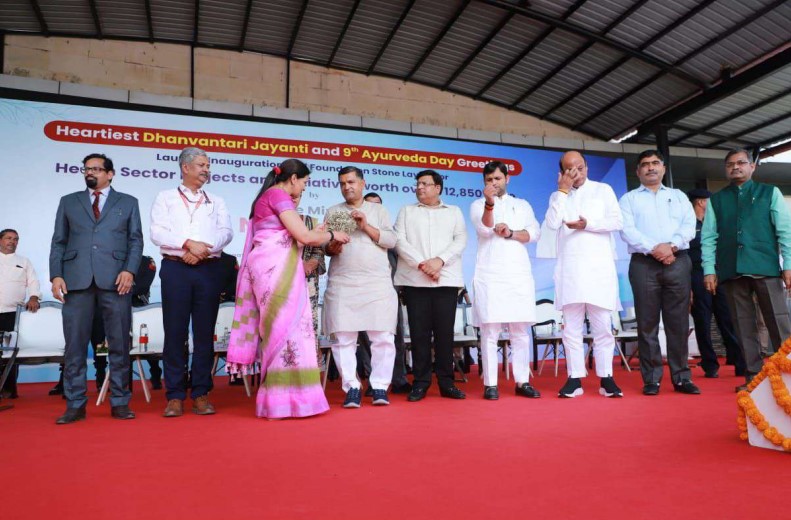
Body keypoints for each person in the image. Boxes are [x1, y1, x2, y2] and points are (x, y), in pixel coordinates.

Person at [226, 159, 349, 418]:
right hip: (275, 272)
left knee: (283, 333)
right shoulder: (278, 195)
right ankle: (285, 401)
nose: (303, 188)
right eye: (304, 182)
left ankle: (288, 400)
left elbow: (288, 237)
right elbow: (304, 237)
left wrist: (315, 233)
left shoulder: (268, 196)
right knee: (285, 332)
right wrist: (331, 235)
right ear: (293, 178)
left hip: (269, 270)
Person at [49, 153, 143, 423]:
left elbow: (135, 241)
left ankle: (120, 401)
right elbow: (58, 242)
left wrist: (129, 270)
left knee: (119, 344)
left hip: (116, 281)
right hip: (76, 280)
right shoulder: (68, 201)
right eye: (86, 169)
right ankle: (75, 404)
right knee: (74, 346)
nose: (90, 173)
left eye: (96, 169)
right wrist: (56, 275)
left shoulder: (128, 202)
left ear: (110, 174)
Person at [150, 147, 233, 417]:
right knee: (175, 333)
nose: (206, 169)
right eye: (201, 165)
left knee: (204, 333)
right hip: (175, 269)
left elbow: (226, 232)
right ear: (185, 168)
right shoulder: (165, 197)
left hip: (208, 269)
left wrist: (202, 249)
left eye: (207, 165)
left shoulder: (216, 200)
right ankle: (174, 395)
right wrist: (187, 244)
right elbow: (157, 232)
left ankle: (200, 393)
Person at [701, 148, 791, 392]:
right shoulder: (718, 199)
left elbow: (785, 231)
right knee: (742, 326)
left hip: (765, 267)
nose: (735, 167)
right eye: (730, 164)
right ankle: (754, 379)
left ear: (752, 166)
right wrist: (709, 270)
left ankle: (788, 377)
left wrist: (788, 265)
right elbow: (708, 237)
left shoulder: (769, 192)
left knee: (779, 323)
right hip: (731, 270)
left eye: (741, 162)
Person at [619, 149, 699, 396]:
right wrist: (656, 249)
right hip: (644, 264)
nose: (651, 167)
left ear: (663, 168)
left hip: (677, 260)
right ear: (638, 171)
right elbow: (627, 230)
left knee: (678, 323)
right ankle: (651, 379)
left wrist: (671, 246)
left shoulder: (678, 196)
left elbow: (689, 226)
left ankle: (682, 377)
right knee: (647, 323)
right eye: (645, 164)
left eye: (655, 163)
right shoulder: (629, 199)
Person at [544, 151, 624, 398]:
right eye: (570, 169)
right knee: (571, 329)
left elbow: (617, 222)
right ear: (562, 173)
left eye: (580, 167)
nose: (576, 173)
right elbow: (551, 223)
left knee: (603, 328)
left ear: (587, 168)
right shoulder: (558, 196)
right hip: (570, 271)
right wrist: (562, 191)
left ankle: (606, 378)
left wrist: (587, 224)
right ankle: (574, 378)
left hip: (599, 270)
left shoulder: (603, 190)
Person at [323, 167, 398, 408]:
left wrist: (365, 225)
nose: (347, 187)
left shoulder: (378, 210)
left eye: (351, 182)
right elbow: (327, 247)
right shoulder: (333, 211)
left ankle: (379, 386)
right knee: (343, 338)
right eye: (342, 183)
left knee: (383, 337)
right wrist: (332, 246)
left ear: (362, 184)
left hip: (376, 282)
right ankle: (352, 387)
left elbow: (391, 240)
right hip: (343, 281)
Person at [471, 161, 541, 400]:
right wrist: (489, 203)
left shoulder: (522, 205)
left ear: (507, 179)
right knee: (490, 332)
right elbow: (484, 229)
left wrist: (510, 233)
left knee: (520, 331)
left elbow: (534, 233)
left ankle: (522, 381)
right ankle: (490, 384)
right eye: (489, 180)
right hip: (490, 275)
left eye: (498, 179)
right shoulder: (478, 204)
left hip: (518, 274)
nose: (494, 183)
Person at [394, 169, 467, 401]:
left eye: (425, 184)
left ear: (438, 188)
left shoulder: (453, 212)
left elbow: (460, 240)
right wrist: (423, 265)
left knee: (445, 335)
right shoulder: (406, 211)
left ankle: (447, 383)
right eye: (418, 184)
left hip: (445, 280)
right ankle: (421, 382)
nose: (419, 187)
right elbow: (399, 241)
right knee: (419, 335)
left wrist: (439, 261)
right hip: (415, 281)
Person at [687, 188, 745, 379]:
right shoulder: (687, 225)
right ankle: (710, 364)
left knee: (728, 318)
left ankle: (738, 361)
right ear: (701, 202)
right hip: (696, 274)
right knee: (702, 321)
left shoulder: (716, 223)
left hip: (719, 274)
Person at [361, 191, 411, 394]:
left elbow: (401, 264)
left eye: (378, 205)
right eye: (369, 204)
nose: (374, 208)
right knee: (367, 339)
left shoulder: (390, 237)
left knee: (394, 337)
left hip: (389, 293)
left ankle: (398, 379)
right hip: (362, 293)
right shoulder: (356, 233)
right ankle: (373, 383)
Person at [0, 229, 41, 399]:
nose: (12, 241)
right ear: (0, 240)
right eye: (8, 238)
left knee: (10, 352)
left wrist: (33, 297)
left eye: (16, 239)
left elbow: (33, 281)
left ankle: (9, 390)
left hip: (13, 314)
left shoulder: (24, 261)